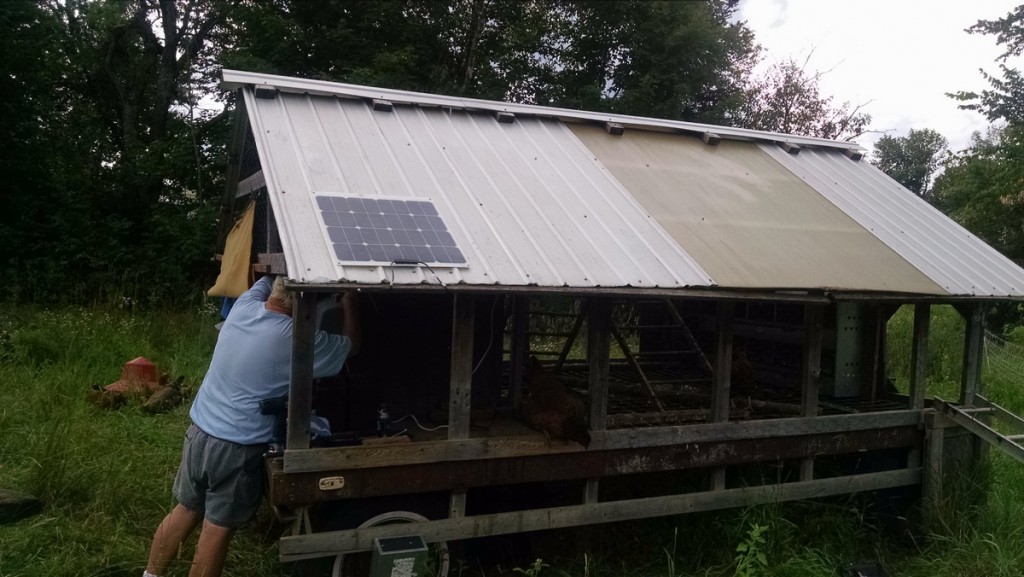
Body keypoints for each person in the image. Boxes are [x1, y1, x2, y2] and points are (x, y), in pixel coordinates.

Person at [144, 275, 361, 577]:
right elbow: (352, 345)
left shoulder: (243, 308)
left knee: (186, 509)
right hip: (235, 446)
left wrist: (281, 269)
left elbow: (261, 280)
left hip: (199, 432)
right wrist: (349, 301)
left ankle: (150, 575)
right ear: (303, 302)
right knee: (216, 529)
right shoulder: (296, 340)